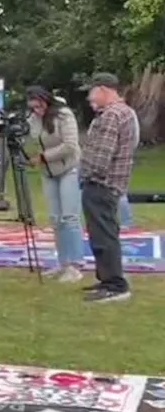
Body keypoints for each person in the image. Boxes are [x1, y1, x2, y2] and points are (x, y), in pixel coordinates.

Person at [79, 73, 137, 303]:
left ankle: (115, 285)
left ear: (103, 89)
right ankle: (107, 279)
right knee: (104, 233)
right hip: (113, 184)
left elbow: (102, 155)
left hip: (102, 184)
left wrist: (85, 173)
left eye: (92, 91)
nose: (89, 97)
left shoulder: (112, 115)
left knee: (104, 235)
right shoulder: (126, 113)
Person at [26, 86, 83, 283]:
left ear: (46, 100)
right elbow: (33, 141)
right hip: (48, 173)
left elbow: (70, 145)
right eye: (33, 107)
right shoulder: (33, 119)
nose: (36, 109)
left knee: (70, 217)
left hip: (68, 169)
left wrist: (43, 156)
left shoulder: (63, 115)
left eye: (39, 105)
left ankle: (75, 265)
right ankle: (63, 262)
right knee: (55, 219)